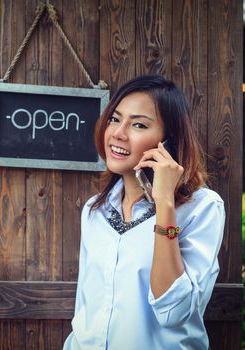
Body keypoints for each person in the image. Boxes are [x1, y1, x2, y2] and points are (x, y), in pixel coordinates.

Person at [63, 75, 226, 350]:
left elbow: (173, 312)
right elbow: (86, 308)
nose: (118, 133)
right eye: (115, 119)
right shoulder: (95, 210)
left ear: (168, 142)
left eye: (138, 124)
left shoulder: (203, 208)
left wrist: (165, 204)